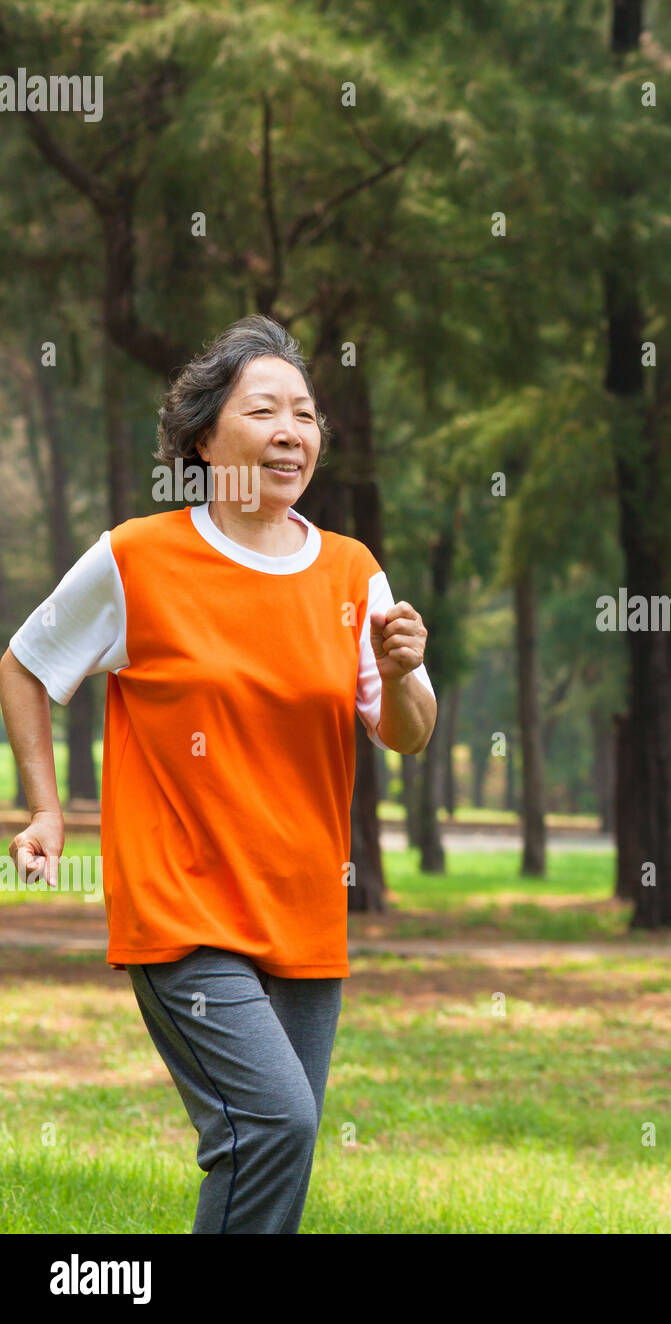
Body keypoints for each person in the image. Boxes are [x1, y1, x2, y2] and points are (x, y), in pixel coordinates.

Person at [0, 314, 437, 1234]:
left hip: (304, 909)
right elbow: (26, 662)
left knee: (277, 1143)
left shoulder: (354, 572)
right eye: (265, 410)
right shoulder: (139, 558)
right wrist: (45, 809)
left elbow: (409, 733)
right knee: (274, 1124)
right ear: (204, 438)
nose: (292, 431)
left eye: (307, 415)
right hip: (183, 906)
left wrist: (398, 676)